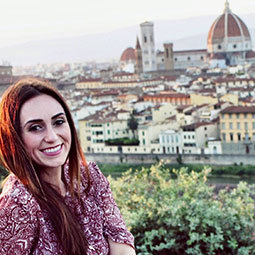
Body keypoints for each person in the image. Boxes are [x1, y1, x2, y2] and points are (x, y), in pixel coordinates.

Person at [0, 78, 136, 255]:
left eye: (58, 122)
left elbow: (120, 239)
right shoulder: (17, 206)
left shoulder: (89, 177)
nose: (52, 137)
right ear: (14, 138)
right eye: (35, 128)